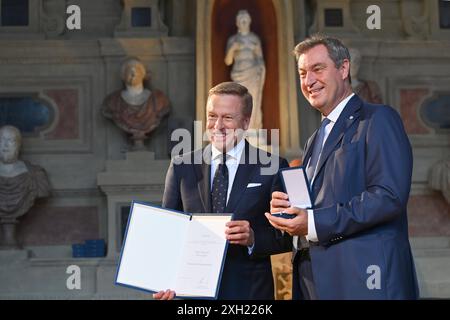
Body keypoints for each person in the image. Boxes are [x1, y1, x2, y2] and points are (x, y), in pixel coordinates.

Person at [266, 35, 419, 299]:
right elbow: (320, 205)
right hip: (314, 282)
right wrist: (291, 212)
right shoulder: (315, 139)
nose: (308, 81)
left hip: (365, 282)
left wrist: (312, 221)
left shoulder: (378, 119)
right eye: (302, 73)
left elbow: (388, 197)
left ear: (344, 68)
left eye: (317, 69)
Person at [154, 82, 290, 300]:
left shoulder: (272, 166)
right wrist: (162, 282)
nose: (218, 125)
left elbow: (286, 236)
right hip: (192, 294)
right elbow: (168, 233)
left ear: (246, 121)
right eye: (212, 116)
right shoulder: (181, 166)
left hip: (250, 294)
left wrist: (253, 238)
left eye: (227, 118)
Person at [102, 57, 170, 150]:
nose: (133, 74)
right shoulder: (113, 101)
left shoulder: (158, 100)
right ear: (123, 75)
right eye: (129, 71)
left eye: (137, 70)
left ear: (143, 74)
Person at [0, 125, 50, 247]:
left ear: (18, 145)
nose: (5, 145)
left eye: (10, 140)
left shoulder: (35, 175)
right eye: (2, 140)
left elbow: (43, 191)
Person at [225, 10, 265, 130]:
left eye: (245, 19)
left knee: (252, 102)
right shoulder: (233, 40)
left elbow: (260, 59)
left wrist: (256, 52)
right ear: (237, 23)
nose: (243, 21)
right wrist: (233, 49)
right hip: (238, 74)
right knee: (238, 103)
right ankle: (239, 129)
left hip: (253, 75)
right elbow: (228, 61)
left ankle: (252, 128)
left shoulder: (255, 38)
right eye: (241, 19)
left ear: (249, 21)